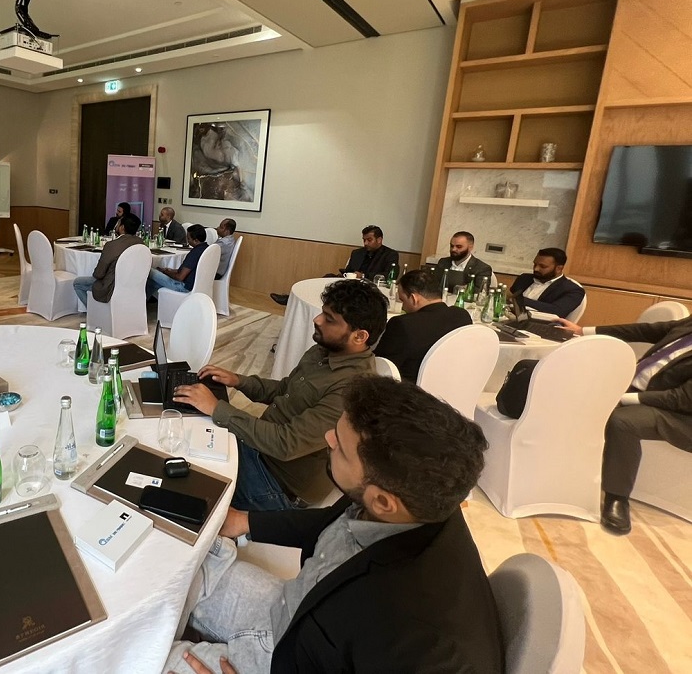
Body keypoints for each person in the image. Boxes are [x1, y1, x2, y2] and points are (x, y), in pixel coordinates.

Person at [165, 376, 503, 674]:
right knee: (187, 567)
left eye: (340, 446)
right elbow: (335, 523)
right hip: (292, 612)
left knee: (137, 663)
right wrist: (245, 521)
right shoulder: (419, 497)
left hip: (287, 659)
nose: (328, 438)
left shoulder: (419, 639)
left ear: (383, 501)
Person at [173, 279, 384, 510]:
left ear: (359, 336)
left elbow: (286, 444)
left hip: (278, 485)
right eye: (321, 313)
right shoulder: (325, 350)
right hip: (262, 451)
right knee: (186, 438)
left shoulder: (351, 390)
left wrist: (216, 408)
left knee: (188, 483)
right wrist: (238, 381)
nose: (317, 320)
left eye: (329, 319)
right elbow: (286, 389)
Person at [555, 314, 692, 535]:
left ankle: (617, 498)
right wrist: (584, 331)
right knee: (577, 384)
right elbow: (644, 331)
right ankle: (564, 467)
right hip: (641, 388)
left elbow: (682, 399)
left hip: (679, 414)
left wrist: (624, 397)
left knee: (623, 422)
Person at [373, 269, 472, 382]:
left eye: (402, 300)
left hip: (410, 392)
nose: (403, 307)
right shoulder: (462, 316)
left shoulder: (403, 324)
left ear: (414, 298)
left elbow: (381, 366)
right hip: (453, 385)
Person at [269, 225, 398, 306]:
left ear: (379, 240)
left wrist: (363, 275)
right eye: (364, 240)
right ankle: (290, 299)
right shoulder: (357, 253)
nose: (365, 243)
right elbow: (348, 270)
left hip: (370, 288)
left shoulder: (390, 255)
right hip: (350, 283)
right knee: (326, 278)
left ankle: (290, 300)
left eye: (369, 240)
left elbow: (389, 276)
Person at [73, 214, 145, 305]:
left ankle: (94, 311)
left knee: (77, 283)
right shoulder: (141, 244)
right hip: (135, 285)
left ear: (122, 227)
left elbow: (99, 274)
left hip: (112, 286)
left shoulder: (111, 245)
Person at [509, 248, 585, 319]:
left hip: (541, 326)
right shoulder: (524, 278)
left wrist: (517, 298)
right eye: (535, 264)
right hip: (511, 319)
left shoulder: (573, 290)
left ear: (559, 269)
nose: (536, 269)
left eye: (543, 266)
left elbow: (556, 311)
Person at [147, 223, 207, 299]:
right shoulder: (206, 249)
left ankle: (142, 301)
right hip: (198, 286)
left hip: (184, 287)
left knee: (149, 270)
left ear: (196, 240)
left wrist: (166, 272)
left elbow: (180, 277)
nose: (187, 241)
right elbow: (190, 270)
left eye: (188, 238)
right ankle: (146, 300)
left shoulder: (194, 253)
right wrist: (171, 270)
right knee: (154, 281)